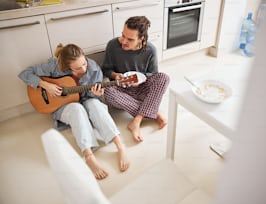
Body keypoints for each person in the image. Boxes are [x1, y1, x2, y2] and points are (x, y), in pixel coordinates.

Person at [18, 43, 129, 180]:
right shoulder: (54, 66)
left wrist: (96, 94)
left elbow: (93, 97)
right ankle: (88, 155)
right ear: (66, 66)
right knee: (77, 109)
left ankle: (120, 145)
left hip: (86, 100)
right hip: (64, 106)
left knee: (95, 104)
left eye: (84, 64)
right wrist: (45, 85)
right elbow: (25, 74)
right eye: (77, 68)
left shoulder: (93, 68)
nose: (83, 68)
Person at [102, 16, 170, 142]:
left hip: (142, 86)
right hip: (122, 88)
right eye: (123, 35)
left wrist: (142, 79)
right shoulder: (112, 45)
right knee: (107, 91)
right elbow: (106, 70)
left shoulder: (150, 50)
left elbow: (153, 74)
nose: (123, 41)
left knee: (164, 78)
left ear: (141, 39)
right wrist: (116, 76)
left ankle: (137, 120)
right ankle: (153, 112)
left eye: (130, 39)